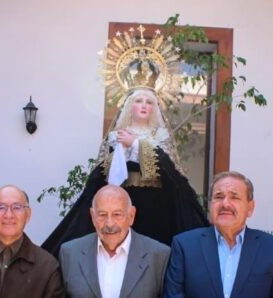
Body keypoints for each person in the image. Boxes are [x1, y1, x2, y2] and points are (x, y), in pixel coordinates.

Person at [42, 88, 208, 256]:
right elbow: (101, 174)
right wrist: (118, 153)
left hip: (154, 204)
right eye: (138, 101)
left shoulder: (160, 135)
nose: (144, 105)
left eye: (149, 102)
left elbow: (169, 170)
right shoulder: (115, 136)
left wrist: (136, 144)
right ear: (129, 106)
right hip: (120, 201)